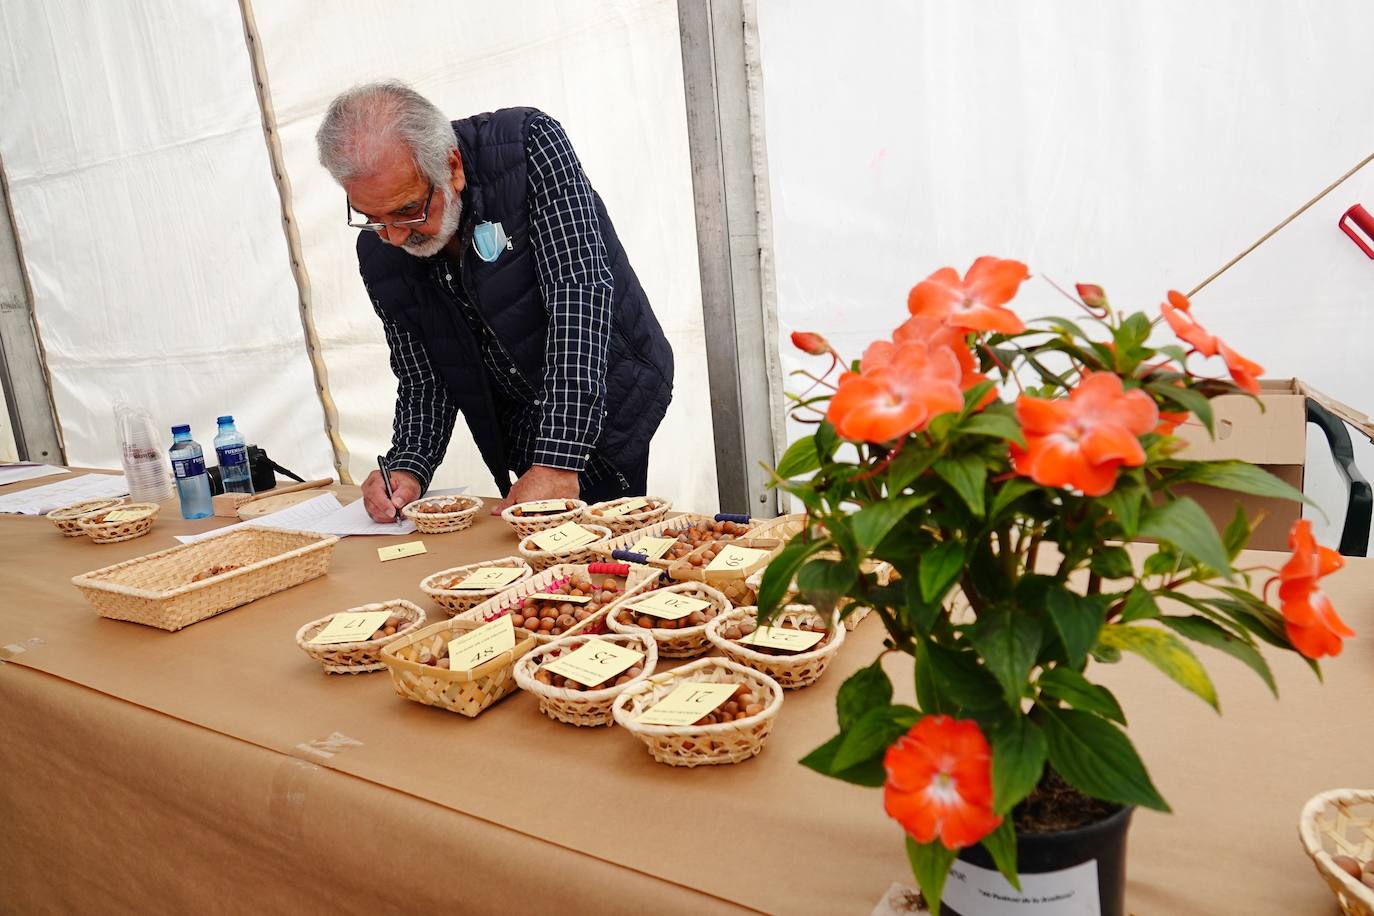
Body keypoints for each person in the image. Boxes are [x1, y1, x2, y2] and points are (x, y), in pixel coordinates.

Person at [315, 81, 674, 522]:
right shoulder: (379, 251)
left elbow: (577, 295)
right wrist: (409, 462)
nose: (393, 236)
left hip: (608, 395)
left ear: (452, 169)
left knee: (610, 548)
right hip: (522, 427)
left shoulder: (526, 146)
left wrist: (559, 459)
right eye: (371, 218)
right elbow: (422, 374)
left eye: (408, 210)